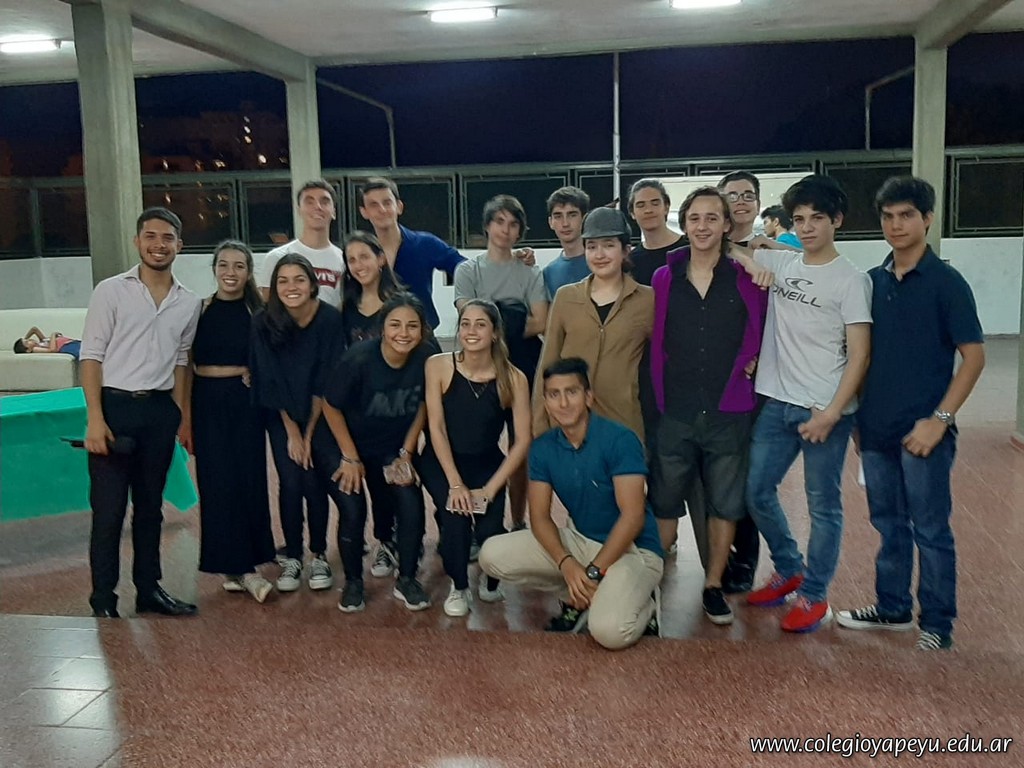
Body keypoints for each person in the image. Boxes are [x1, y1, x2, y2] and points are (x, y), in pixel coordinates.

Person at [837, 176, 985, 651]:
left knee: (931, 530)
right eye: (888, 216)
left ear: (927, 219)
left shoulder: (946, 283)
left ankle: (938, 623)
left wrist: (939, 421)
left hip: (924, 433)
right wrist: (858, 420)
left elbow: (974, 358)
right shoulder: (872, 282)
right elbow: (861, 356)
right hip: (876, 429)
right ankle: (893, 607)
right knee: (888, 524)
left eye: (906, 215)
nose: (896, 225)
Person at [743, 174, 872, 633]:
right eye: (799, 219)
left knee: (823, 507)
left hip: (824, 409)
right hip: (779, 402)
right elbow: (727, 248)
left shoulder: (852, 280)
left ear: (837, 220)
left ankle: (814, 594)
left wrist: (832, 412)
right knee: (756, 491)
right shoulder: (783, 262)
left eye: (818, 218)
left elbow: (860, 355)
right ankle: (788, 567)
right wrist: (755, 246)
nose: (808, 227)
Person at [479, 358, 664, 650]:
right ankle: (580, 592)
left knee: (609, 632)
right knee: (491, 555)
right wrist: (567, 564)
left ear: (588, 397)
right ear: (546, 403)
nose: (563, 403)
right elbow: (540, 517)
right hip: (581, 541)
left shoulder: (619, 439)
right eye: (554, 394)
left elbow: (632, 517)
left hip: (633, 551)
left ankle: (645, 602)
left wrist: (592, 572)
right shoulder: (543, 448)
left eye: (572, 392)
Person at [648, 187, 768, 626]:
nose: (702, 226)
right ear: (684, 224)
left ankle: (713, 585)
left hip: (728, 409)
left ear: (725, 225)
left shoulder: (748, 280)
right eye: (694, 218)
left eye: (711, 218)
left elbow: (767, 329)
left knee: (725, 503)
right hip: (675, 409)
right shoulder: (664, 278)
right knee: (663, 501)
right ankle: (648, 584)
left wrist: (757, 359)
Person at [79, 207, 202, 618]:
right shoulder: (111, 291)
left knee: (150, 509)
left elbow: (182, 361)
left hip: (158, 412)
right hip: (114, 408)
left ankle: (148, 590)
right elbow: (91, 356)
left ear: (179, 245)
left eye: (167, 238)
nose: (158, 245)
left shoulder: (189, 302)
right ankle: (103, 598)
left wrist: (180, 416)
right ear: (137, 242)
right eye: (150, 236)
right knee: (109, 512)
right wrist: (95, 417)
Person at [322, 292, 435, 613]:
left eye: (412, 326)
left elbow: (425, 404)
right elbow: (330, 406)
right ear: (382, 328)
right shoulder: (358, 359)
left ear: (422, 329)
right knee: (353, 507)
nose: (404, 333)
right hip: (345, 444)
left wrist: (407, 453)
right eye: (395, 324)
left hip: (390, 446)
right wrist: (350, 457)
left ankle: (407, 578)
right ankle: (353, 582)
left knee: (409, 500)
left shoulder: (426, 357)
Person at [420, 299, 531, 617]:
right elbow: (436, 427)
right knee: (456, 518)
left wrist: (492, 488)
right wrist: (455, 484)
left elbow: (522, 440)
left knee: (491, 530)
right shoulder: (438, 366)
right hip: (442, 461)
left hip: (486, 462)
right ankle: (459, 586)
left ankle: (491, 581)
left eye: (480, 324)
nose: (471, 331)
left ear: (494, 333)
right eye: (465, 324)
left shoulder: (514, 378)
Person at [182, 240, 275, 604]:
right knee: (217, 482)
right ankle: (235, 566)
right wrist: (185, 418)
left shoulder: (258, 312)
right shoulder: (199, 310)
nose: (230, 272)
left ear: (248, 272)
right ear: (214, 269)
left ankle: (245, 564)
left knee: (248, 479)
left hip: (245, 402)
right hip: (206, 401)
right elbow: (184, 365)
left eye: (239, 266)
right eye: (224, 265)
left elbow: (273, 358)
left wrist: (256, 374)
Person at [250, 253, 344, 594]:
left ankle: (318, 554)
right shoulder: (263, 322)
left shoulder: (329, 319)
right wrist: (293, 433)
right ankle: (293, 554)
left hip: (321, 412)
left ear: (312, 284)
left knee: (314, 481)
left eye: (299, 279)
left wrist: (309, 432)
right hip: (281, 413)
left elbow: (327, 377)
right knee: (291, 481)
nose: (292, 287)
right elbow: (269, 377)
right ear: (274, 287)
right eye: (283, 281)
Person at [455, 194, 548, 531]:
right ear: (487, 226)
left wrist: (495, 320)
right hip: (479, 367)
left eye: (513, 224)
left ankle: (519, 520)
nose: (505, 230)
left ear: (520, 231)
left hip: (522, 363)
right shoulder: (468, 270)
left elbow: (541, 321)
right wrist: (513, 314)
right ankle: (473, 518)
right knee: (475, 443)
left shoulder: (529, 271)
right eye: (499, 222)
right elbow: (469, 318)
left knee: (522, 444)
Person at [533, 206, 653, 441]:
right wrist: (539, 426)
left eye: (608, 245)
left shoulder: (647, 300)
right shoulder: (566, 297)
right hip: (568, 424)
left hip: (623, 424)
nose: (599, 255)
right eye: (591, 246)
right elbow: (547, 362)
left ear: (625, 250)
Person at [358, 177, 465, 329]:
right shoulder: (360, 253)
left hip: (423, 334)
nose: (382, 210)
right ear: (364, 212)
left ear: (399, 207)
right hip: (377, 335)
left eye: (387, 203)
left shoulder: (425, 244)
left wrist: (464, 303)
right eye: (373, 205)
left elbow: (465, 268)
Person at [258, 180, 344, 307]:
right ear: (299, 210)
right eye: (309, 202)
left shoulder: (344, 260)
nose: (318, 207)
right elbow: (268, 305)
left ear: (334, 212)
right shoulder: (277, 257)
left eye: (324, 202)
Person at [340, 230, 405, 346]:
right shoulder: (345, 309)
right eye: (352, 260)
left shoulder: (403, 304)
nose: (358, 265)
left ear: (381, 259)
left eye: (364, 257)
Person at [627, 179, 686, 287]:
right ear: (632, 213)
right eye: (641, 205)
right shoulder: (631, 261)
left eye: (655, 203)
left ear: (666, 207)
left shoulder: (690, 248)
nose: (648, 210)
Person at [541, 185, 591, 298]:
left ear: (584, 218)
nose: (565, 223)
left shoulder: (600, 262)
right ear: (550, 222)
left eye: (572, 215)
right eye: (558, 216)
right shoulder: (548, 273)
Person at [13, 328, 81, 358]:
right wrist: (53, 335)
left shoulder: (41, 341)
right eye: (27, 342)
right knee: (83, 353)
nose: (30, 340)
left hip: (71, 342)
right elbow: (52, 350)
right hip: (66, 346)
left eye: (28, 339)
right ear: (28, 350)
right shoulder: (35, 349)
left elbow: (34, 329)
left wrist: (25, 338)